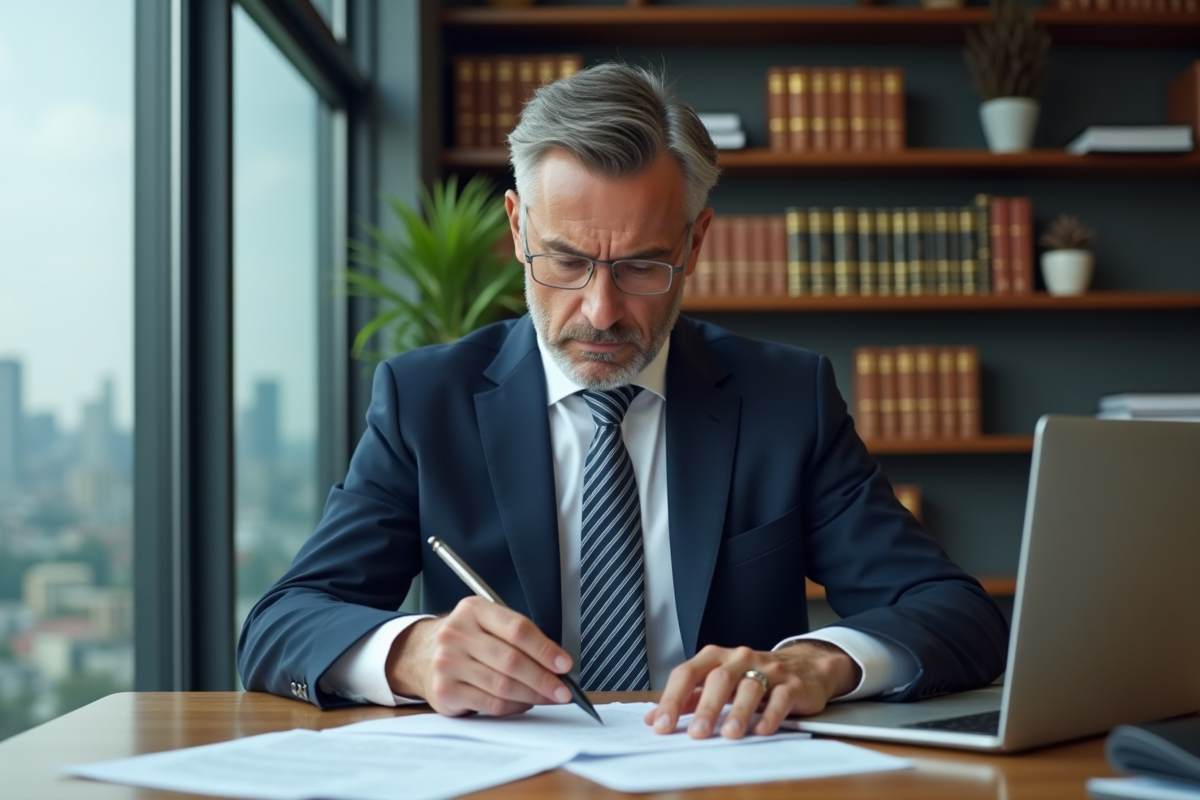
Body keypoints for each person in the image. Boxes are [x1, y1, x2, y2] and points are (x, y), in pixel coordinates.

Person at [237, 63, 1008, 741]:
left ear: (695, 242)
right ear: (516, 228)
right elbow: (282, 623)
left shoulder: (787, 399)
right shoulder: (424, 399)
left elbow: (956, 614)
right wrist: (409, 653)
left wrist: (818, 662)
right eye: (567, 261)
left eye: (643, 267)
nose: (601, 311)